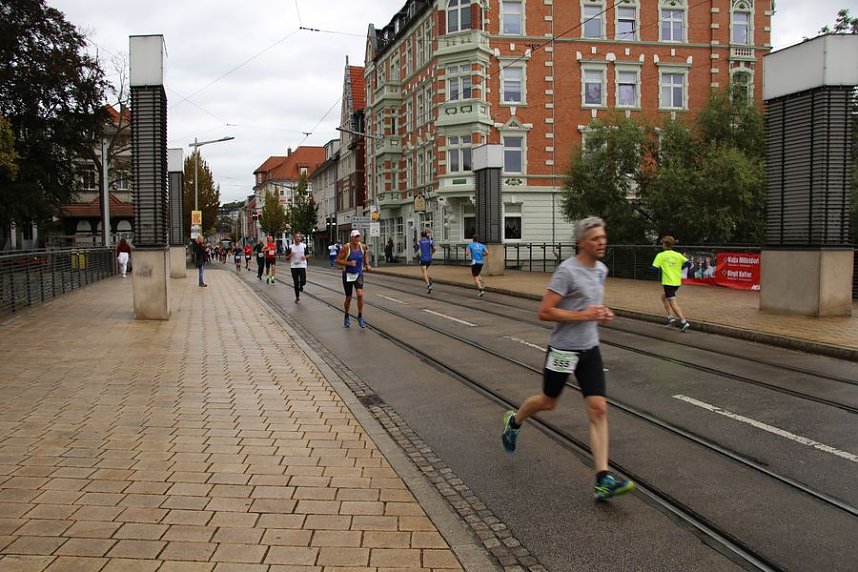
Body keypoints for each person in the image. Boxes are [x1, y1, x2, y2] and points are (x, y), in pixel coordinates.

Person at [500, 217, 636, 502]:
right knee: (548, 402)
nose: (602, 242)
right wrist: (583, 315)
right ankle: (515, 421)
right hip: (563, 350)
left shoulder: (601, 270)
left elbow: (590, 305)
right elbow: (545, 312)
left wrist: (602, 313)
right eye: (596, 238)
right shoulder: (566, 271)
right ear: (581, 242)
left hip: (589, 348)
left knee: (598, 408)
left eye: (603, 237)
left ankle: (603, 479)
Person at [651, 235, 691, 332]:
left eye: (662, 244)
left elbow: (654, 268)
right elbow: (688, 264)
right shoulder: (677, 255)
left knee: (672, 302)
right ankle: (670, 318)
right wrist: (678, 268)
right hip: (677, 282)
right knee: (664, 297)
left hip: (668, 282)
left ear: (664, 244)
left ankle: (683, 321)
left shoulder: (661, 255)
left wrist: (662, 268)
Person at [336, 229, 371, 328]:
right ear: (351, 238)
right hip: (347, 274)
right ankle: (346, 315)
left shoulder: (362, 247)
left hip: (358, 274)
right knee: (349, 298)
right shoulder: (346, 248)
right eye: (355, 237)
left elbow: (365, 256)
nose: (357, 239)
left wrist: (367, 264)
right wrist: (348, 263)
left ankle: (360, 316)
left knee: (360, 294)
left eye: (358, 237)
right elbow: (338, 261)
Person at [287, 232, 309, 303]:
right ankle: (297, 297)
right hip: (293, 266)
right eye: (296, 237)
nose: (298, 238)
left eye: (299, 237)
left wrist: (305, 257)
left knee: (303, 281)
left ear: (301, 238)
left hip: (302, 265)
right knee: (295, 282)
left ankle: (301, 284)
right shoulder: (290, 247)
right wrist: (291, 254)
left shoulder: (304, 246)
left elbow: (308, 255)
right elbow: (286, 258)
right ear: (294, 238)